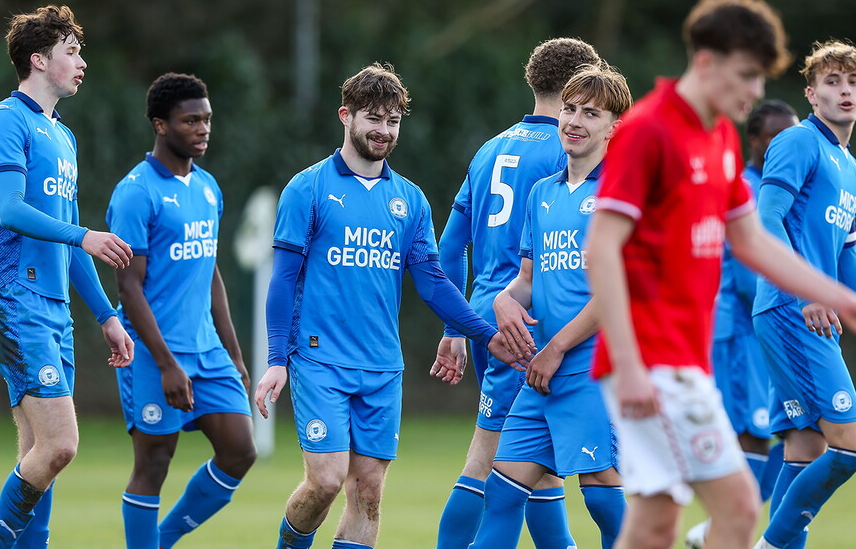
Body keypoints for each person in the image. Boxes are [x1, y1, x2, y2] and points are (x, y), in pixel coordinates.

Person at [584, 0, 856, 549]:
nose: (758, 93)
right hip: (648, 359)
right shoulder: (648, 130)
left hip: (687, 359)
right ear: (707, 62)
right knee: (732, 508)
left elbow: (753, 240)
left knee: (664, 520)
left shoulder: (718, 143)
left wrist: (850, 304)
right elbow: (601, 248)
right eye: (749, 75)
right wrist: (629, 364)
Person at [254, 63, 532, 549]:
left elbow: (434, 285)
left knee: (369, 491)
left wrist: (484, 335)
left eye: (392, 121)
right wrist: (277, 360)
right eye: (373, 119)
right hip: (318, 359)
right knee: (324, 481)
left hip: (382, 366)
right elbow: (282, 281)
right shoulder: (308, 188)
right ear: (346, 116)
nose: (383, 131)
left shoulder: (411, 200)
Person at [0, 5, 134, 548]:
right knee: (60, 444)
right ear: (39, 60)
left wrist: (108, 319)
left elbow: (68, 243)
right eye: (72, 52)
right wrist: (83, 235)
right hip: (13, 295)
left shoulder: (62, 137)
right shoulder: (5, 121)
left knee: (38, 455)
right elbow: (12, 211)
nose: (81, 62)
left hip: (52, 308)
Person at [433, 37, 600, 549]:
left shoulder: (491, 148)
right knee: (490, 460)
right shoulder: (570, 148)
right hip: (529, 322)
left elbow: (448, 248)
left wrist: (455, 326)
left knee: (539, 469)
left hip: (486, 312)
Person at [469, 63, 632, 549]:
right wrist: (502, 303)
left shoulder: (618, 195)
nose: (575, 121)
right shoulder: (543, 193)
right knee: (500, 494)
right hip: (543, 371)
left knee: (602, 499)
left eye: (591, 113)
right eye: (569, 108)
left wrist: (557, 347)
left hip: (593, 368)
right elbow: (526, 281)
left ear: (613, 127)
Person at [106, 73, 256, 549]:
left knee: (240, 451)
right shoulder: (136, 192)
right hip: (154, 353)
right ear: (160, 124)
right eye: (190, 120)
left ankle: (162, 540)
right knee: (154, 463)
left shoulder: (208, 187)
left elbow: (211, 275)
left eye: (207, 119)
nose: (202, 129)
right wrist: (168, 364)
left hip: (207, 349)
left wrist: (233, 353)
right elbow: (129, 287)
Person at [751, 41, 856, 549]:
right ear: (812, 95)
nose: (844, 90)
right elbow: (765, 221)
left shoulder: (849, 166)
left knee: (805, 451)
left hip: (809, 316)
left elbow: (846, 258)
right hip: (791, 310)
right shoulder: (797, 141)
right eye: (832, 82)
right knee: (851, 448)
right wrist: (805, 290)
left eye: (853, 82)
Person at [684, 100, 798, 549]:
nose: (781, 146)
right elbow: (752, 277)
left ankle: (715, 532)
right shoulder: (745, 189)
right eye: (773, 137)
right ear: (754, 139)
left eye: (789, 138)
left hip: (768, 327)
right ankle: (724, 533)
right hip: (740, 330)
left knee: (790, 435)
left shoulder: (777, 187)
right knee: (753, 432)